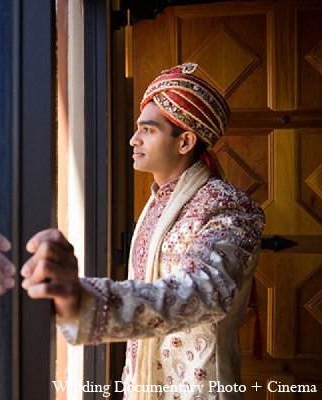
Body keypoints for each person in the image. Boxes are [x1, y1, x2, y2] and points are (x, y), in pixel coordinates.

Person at [19, 63, 265, 399]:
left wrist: (88, 302)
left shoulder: (227, 205)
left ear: (185, 141)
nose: (134, 139)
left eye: (148, 130)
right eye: (138, 129)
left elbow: (205, 290)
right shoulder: (156, 204)